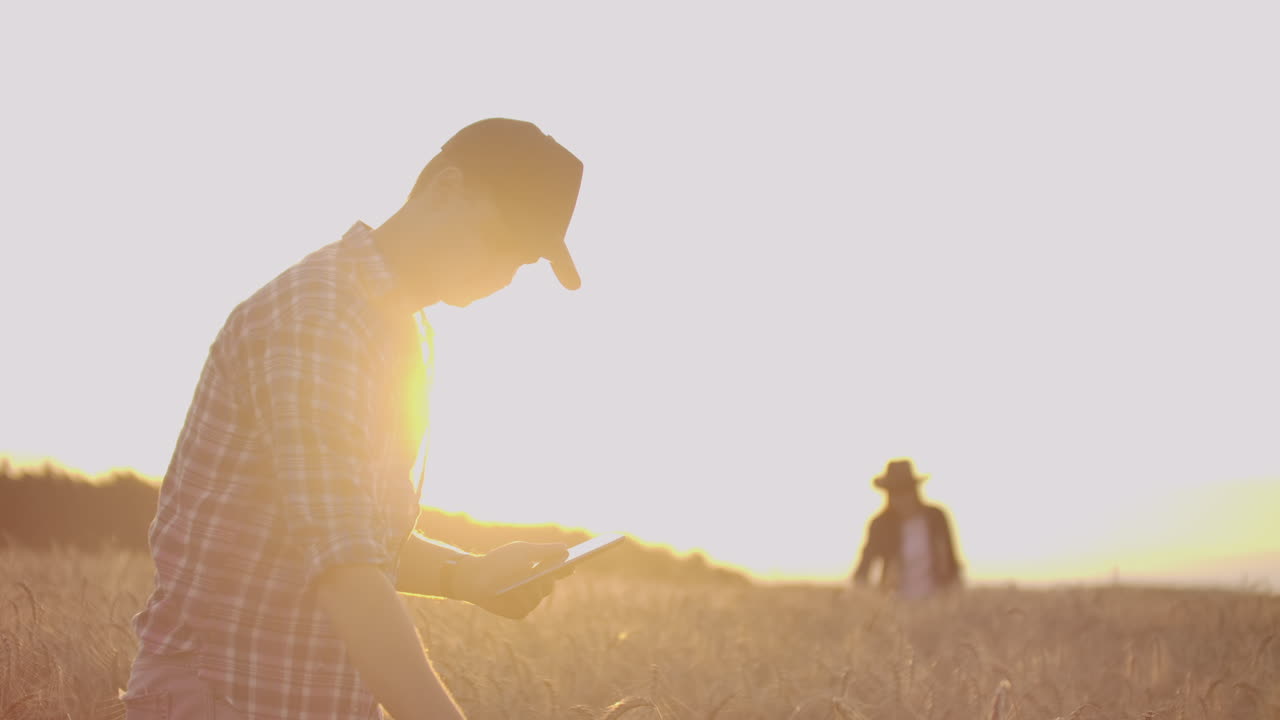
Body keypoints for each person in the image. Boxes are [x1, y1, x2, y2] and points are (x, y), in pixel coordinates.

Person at [125, 118, 587, 720]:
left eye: (521, 262)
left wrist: (465, 575)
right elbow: (344, 565)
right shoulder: (320, 319)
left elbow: (340, 533)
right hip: (225, 697)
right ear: (445, 189)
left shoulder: (396, 326)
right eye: (499, 240)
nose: (503, 274)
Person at [851, 458, 962, 599]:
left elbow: (951, 561)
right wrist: (863, 596)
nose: (899, 497)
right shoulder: (880, 524)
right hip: (894, 602)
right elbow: (865, 564)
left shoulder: (936, 517)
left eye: (904, 490)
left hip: (936, 600)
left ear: (914, 491)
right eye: (894, 492)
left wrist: (953, 594)